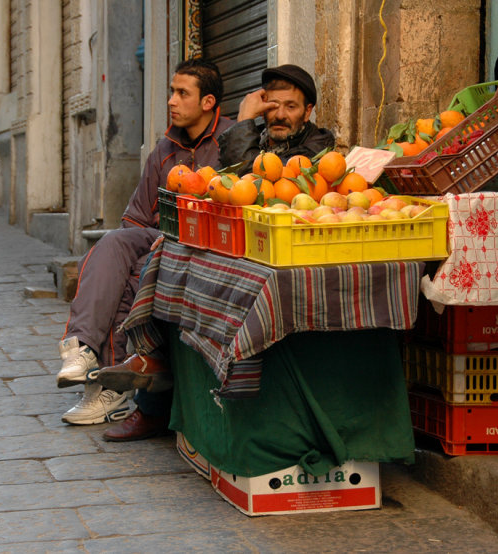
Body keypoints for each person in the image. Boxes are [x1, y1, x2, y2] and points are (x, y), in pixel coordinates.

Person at [96, 63, 335, 440]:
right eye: (272, 105)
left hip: (279, 257)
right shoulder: (256, 139)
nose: (280, 114)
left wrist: (241, 121)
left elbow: (257, 180)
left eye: (291, 106)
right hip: (235, 247)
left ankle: (154, 395)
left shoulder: (318, 147)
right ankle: (151, 392)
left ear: (307, 112)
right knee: (167, 269)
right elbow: (230, 180)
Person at [56, 58, 233, 427]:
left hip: (203, 246)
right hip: (157, 240)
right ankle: (82, 349)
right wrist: (145, 241)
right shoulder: (164, 149)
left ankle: (110, 389)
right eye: (171, 91)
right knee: (116, 245)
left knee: (137, 270)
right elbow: (136, 217)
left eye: (182, 93)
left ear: (208, 102)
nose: (171, 100)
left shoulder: (230, 143)